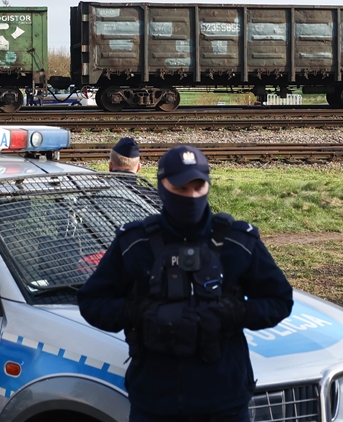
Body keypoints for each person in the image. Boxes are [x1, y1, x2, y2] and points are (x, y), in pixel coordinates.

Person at [77, 145, 294, 422]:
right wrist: (138, 312)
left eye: (198, 186)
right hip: (155, 403)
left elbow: (279, 300)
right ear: (162, 187)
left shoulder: (238, 242)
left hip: (224, 401)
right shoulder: (135, 243)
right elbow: (92, 302)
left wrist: (237, 313)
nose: (191, 196)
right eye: (181, 188)